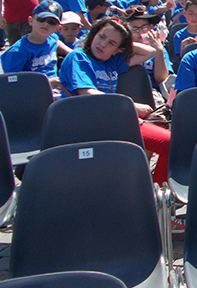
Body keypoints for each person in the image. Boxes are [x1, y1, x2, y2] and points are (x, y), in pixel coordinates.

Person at [58, 17, 172, 186]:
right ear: (93, 34)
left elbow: (148, 52)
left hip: (114, 120)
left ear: (118, 49)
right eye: (101, 36)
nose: (103, 44)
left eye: (111, 43)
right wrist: (130, 106)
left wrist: (123, 45)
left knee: (169, 143)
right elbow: (87, 93)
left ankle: (153, 194)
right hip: (85, 124)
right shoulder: (78, 58)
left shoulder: (112, 61)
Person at [1, 0, 69, 90]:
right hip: (32, 93)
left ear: (57, 28)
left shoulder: (53, 39)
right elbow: (12, 85)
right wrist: (46, 83)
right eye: (41, 19)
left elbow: (71, 53)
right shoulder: (17, 52)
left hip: (57, 89)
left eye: (51, 22)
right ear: (30, 21)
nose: (45, 24)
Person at [125, 6, 172, 94]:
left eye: (144, 27)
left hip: (151, 92)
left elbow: (161, 79)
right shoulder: (120, 50)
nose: (140, 32)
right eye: (134, 29)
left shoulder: (158, 48)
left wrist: (158, 50)